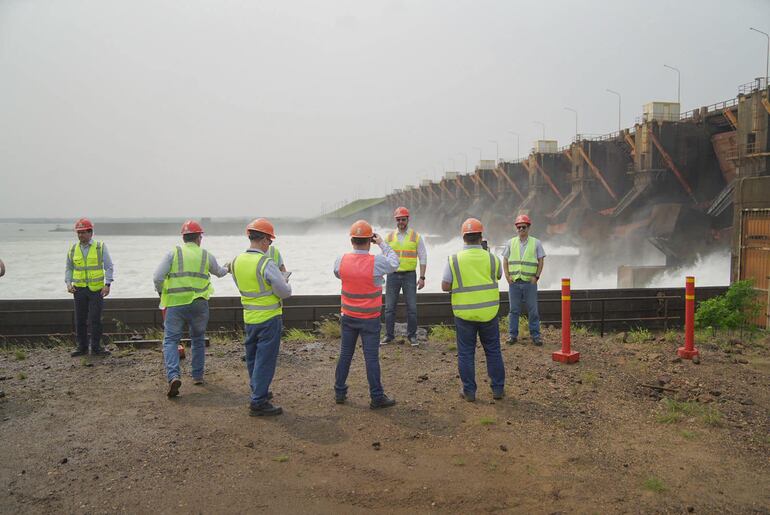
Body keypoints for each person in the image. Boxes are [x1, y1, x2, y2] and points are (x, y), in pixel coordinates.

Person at [153, 220, 229, 397]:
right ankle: (197, 376)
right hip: (199, 304)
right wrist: (228, 267)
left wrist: (161, 292)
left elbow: (157, 277)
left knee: (171, 341)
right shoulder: (205, 255)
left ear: (183, 237)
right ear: (199, 238)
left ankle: (173, 376)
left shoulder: (173, 253)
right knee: (198, 339)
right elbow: (219, 272)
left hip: (175, 304)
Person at [333, 219, 399, 409]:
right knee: (371, 358)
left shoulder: (341, 260)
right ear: (370, 240)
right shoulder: (376, 262)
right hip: (369, 319)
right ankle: (376, 397)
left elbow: (338, 274)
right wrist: (382, 244)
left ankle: (339, 392)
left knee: (345, 354)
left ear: (351, 240)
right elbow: (395, 263)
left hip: (348, 316)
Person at [231, 218, 292, 416]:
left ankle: (258, 390)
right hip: (269, 318)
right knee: (265, 360)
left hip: (249, 317)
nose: (270, 245)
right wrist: (285, 281)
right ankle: (258, 401)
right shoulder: (266, 262)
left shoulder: (237, 261)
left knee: (253, 358)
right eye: (270, 241)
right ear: (265, 239)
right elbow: (284, 292)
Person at [441, 218, 505, 402]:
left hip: (464, 313)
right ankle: (498, 389)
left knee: (466, 353)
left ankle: (469, 391)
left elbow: (445, 286)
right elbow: (499, 275)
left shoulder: (454, 259)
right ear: (481, 237)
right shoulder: (492, 258)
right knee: (493, 350)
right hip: (488, 312)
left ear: (463, 237)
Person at [65, 218, 114, 357]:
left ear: (91, 233)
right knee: (80, 319)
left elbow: (109, 266)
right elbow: (69, 268)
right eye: (78, 232)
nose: (80, 235)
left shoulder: (100, 247)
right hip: (79, 289)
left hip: (96, 290)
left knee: (95, 319)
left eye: (83, 232)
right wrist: (68, 283)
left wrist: (107, 284)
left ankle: (97, 347)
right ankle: (82, 347)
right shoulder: (73, 249)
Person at [382, 206, 427, 347]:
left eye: (403, 219)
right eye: (399, 219)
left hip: (409, 275)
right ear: (396, 220)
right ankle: (389, 336)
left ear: (408, 219)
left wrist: (422, 277)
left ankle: (412, 336)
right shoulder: (389, 237)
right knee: (389, 308)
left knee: (412, 308)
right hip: (392, 276)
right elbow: (384, 259)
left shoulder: (416, 237)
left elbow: (423, 257)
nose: (401, 222)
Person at [502, 214, 545, 345]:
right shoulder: (510, 243)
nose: (521, 229)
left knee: (533, 311)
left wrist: (536, 277)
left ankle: (535, 336)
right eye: (519, 227)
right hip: (514, 282)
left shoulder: (536, 243)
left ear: (528, 227)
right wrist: (507, 276)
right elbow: (505, 260)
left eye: (523, 227)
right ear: (516, 228)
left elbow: (541, 260)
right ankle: (512, 336)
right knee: (513, 311)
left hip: (529, 283)